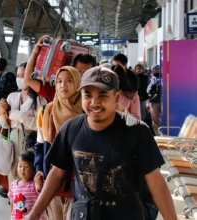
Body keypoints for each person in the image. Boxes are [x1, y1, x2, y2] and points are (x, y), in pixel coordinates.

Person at [25, 66, 177, 220]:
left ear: (117, 98)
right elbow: (57, 173)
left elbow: (156, 182)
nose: (94, 103)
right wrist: (33, 215)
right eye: (88, 95)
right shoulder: (72, 128)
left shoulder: (137, 131)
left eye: (102, 96)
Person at [34, 66, 84, 220]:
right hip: (52, 182)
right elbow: (40, 144)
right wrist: (38, 169)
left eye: (69, 81)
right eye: (59, 81)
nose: (63, 85)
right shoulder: (46, 111)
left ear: (77, 83)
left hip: (79, 183)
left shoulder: (86, 112)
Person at [0, 62, 47, 185]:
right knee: (14, 172)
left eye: (23, 75)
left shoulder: (40, 99)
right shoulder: (12, 97)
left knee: (30, 172)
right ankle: (15, 201)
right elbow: (5, 125)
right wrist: (1, 111)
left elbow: (41, 126)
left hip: (31, 140)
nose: (20, 79)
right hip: (13, 139)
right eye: (18, 75)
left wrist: (22, 117)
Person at [24, 35, 96, 101]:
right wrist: (35, 53)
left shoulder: (94, 95)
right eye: (78, 72)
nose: (81, 76)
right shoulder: (61, 91)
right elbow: (29, 80)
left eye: (86, 72)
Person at [8, 151, 45, 220]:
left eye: (27, 166)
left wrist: (39, 184)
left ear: (33, 170)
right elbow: (12, 203)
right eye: (20, 166)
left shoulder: (35, 184)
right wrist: (12, 216)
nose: (22, 169)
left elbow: (41, 191)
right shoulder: (13, 185)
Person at [147, 64, 162, 136]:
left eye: (155, 70)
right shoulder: (152, 79)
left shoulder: (164, 78)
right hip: (154, 101)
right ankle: (158, 135)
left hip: (162, 101)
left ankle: (161, 135)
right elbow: (148, 91)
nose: (154, 71)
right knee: (155, 119)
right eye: (153, 70)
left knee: (160, 119)